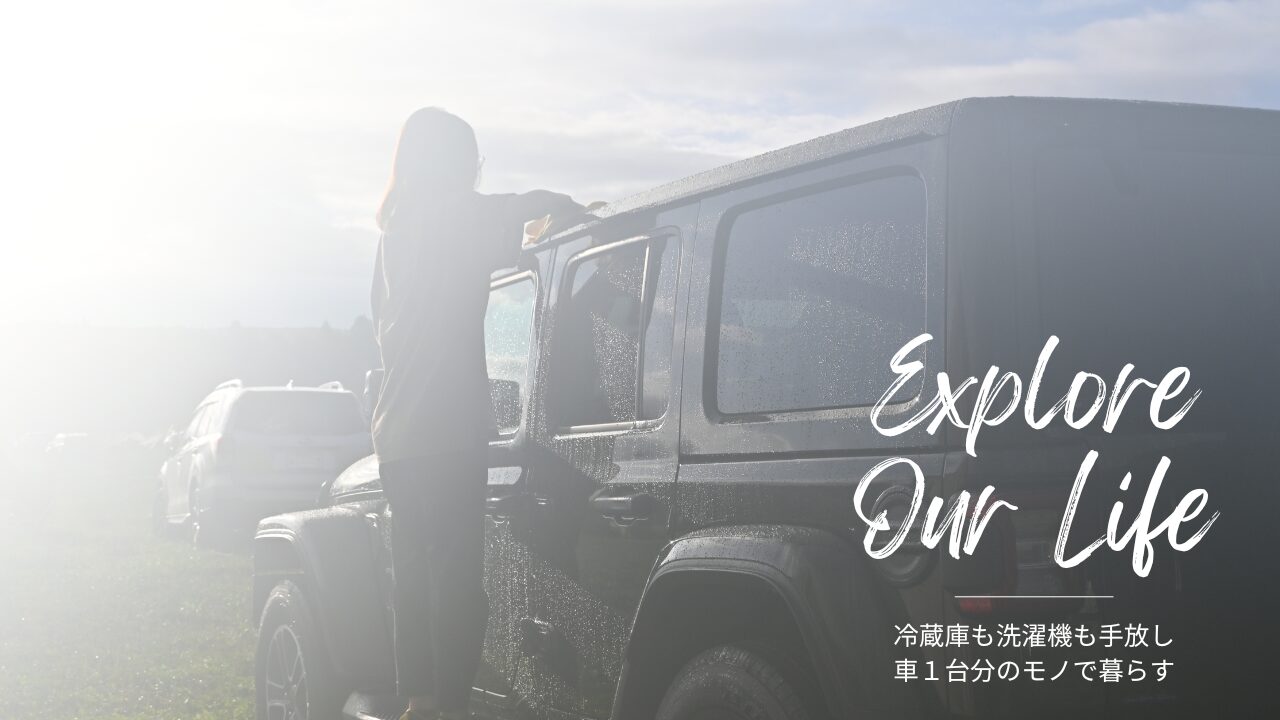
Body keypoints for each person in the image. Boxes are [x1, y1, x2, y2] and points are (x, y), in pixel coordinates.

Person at [370, 107, 582, 720]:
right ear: (455, 163)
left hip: (396, 433)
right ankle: (451, 709)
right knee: (458, 578)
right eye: (472, 160)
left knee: (415, 575)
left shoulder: (394, 236)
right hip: (447, 427)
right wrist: (571, 209)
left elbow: (384, 331)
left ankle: (420, 700)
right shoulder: (458, 216)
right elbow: (528, 204)